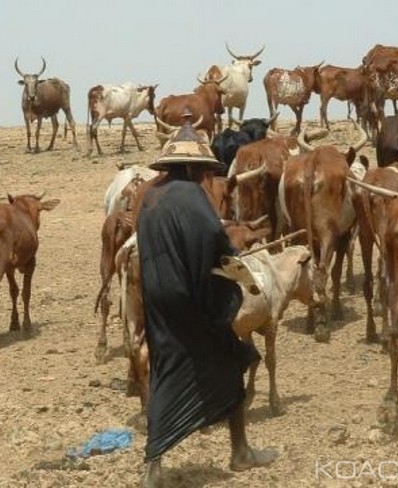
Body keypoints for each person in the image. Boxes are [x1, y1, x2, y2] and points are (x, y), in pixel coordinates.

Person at [137, 116, 277, 487]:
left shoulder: (150, 197)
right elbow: (212, 239)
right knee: (230, 360)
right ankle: (241, 452)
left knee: (166, 368)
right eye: (201, 169)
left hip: (156, 297)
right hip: (189, 297)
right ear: (190, 167)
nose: (203, 176)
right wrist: (234, 259)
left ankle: (154, 465)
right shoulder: (190, 195)